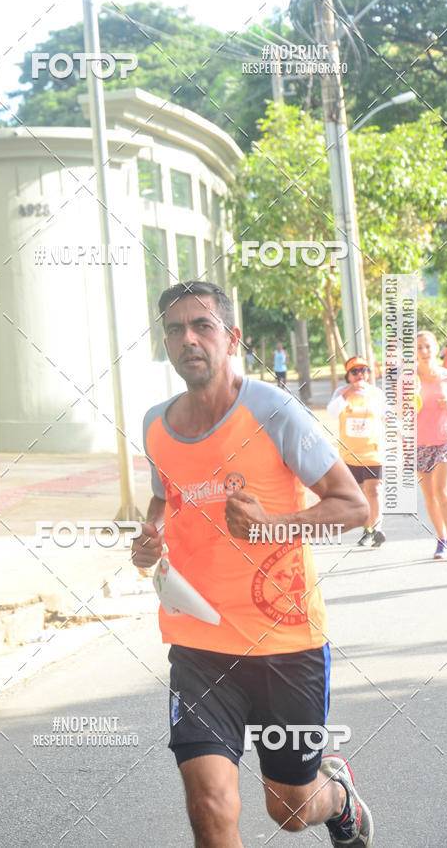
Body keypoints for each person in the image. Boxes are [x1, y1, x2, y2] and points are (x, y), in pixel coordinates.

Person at [132, 281, 373, 848]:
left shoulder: (274, 411)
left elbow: (354, 507)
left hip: (285, 642)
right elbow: (164, 500)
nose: (189, 339)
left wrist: (272, 525)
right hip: (198, 641)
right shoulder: (154, 425)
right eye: (175, 329)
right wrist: (149, 541)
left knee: (291, 808)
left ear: (232, 338)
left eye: (202, 326)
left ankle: (338, 799)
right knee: (209, 807)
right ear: (165, 343)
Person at [416, 331, 447, 560]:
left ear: (437, 348)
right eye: (419, 347)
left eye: (428, 346)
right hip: (419, 444)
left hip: (445, 441)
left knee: (443, 491)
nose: (424, 351)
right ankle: (441, 538)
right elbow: (397, 412)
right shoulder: (408, 381)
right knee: (430, 497)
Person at [327, 357, 386, 548]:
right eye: (355, 371)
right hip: (350, 454)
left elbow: (387, 417)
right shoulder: (341, 392)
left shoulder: (376, 393)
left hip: (373, 451)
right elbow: (332, 412)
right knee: (361, 495)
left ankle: (375, 529)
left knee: (374, 491)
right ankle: (368, 529)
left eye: (364, 370)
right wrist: (348, 393)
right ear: (348, 375)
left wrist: (403, 437)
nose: (360, 375)